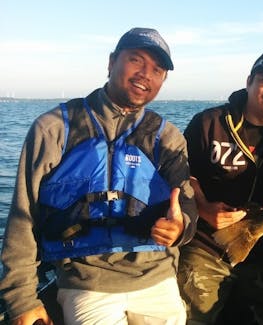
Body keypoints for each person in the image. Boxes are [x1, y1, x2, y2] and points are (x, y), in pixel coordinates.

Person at [0, 27, 198, 324]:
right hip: (85, 283)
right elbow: (22, 217)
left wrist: (181, 227)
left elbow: (186, 206)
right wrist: (21, 298)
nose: (146, 74)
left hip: (157, 279)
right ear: (111, 62)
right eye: (136, 60)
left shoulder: (167, 137)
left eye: (157, 70)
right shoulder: (53, 128)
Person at [178, 51, 263, 324]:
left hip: (261, 250)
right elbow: (181, 173)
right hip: (205, 246)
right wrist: (202, 207)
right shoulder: (209, 122)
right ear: (249, 81)